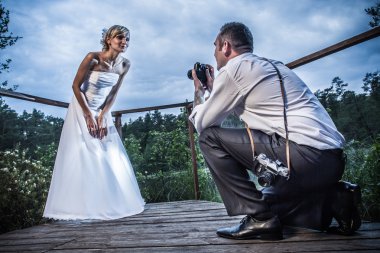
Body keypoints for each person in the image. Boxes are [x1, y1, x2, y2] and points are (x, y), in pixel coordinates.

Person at [189, 22, 361, 240]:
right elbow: (241, 107)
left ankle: (260, 219)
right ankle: (334, 197)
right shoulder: (274, 65)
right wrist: (214, 91)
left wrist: (199, 93)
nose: (213, 53)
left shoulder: (234, 69)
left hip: (302, 157)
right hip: (331, 162)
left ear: (225, 46)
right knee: (269, 201)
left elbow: (203, 124)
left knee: (208, 139)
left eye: (214, 46)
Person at [43, 25, 145, 220]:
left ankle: (109, 203)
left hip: (102, 111)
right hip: (82, 108)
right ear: (108, 39)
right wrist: (89, 115)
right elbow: (75, 86)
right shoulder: (93, 58)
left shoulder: (125, 65)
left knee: (109, 154)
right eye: (120, 37)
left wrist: (103, 115)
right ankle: (79, 207)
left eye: (127, 39)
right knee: (85, 153)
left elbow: (114, 93)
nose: (124, 42)